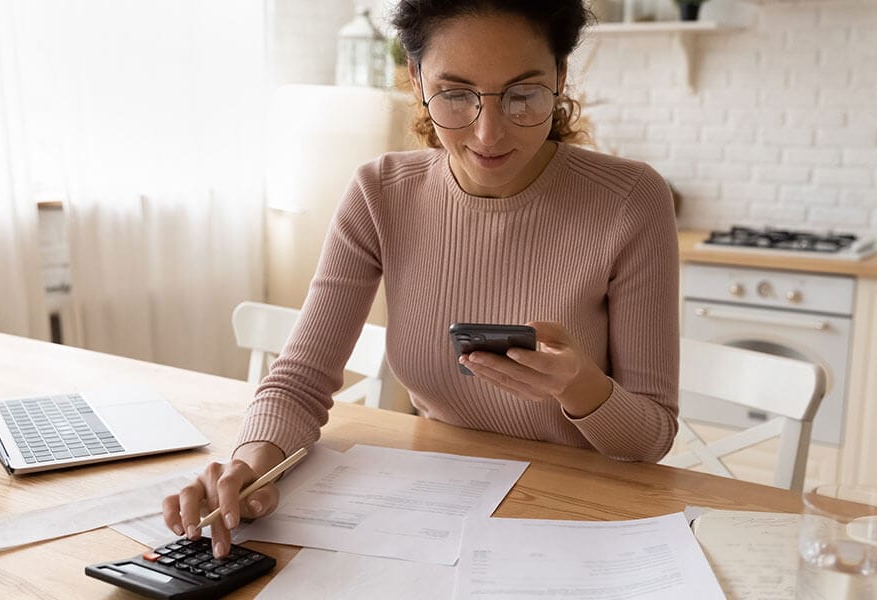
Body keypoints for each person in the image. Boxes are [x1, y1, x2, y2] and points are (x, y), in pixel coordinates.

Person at [163, 0, 680, 559]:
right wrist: (250, 465)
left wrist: (579, 387)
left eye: (522, 94)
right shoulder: (380, 192)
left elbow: (651, 438)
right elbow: (301, 380)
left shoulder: (630, 200)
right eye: (456, 94)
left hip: (586, 519)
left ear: (559, 77)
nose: (488, 132)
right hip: (438, 512)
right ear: (416, 79)